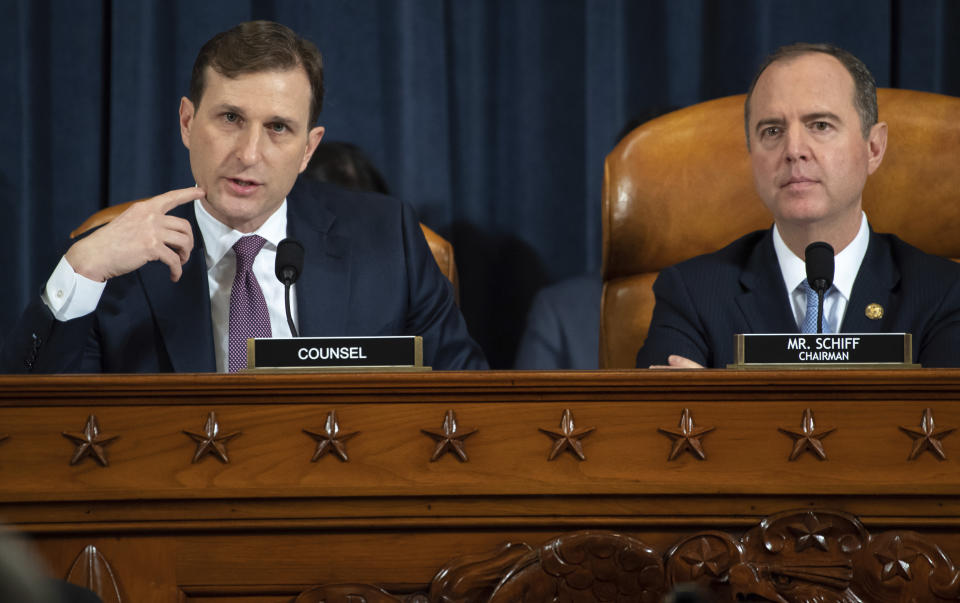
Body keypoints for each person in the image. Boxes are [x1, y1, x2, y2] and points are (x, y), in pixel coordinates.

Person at [1, 21, 486, 373]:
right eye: (230, 118)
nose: (249, 154)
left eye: (278, 128)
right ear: (188, 123)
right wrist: (81, 270)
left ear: (308, 148)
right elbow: (33, 424)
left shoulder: (388, 240)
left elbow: (468, 409)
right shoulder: (112, 262)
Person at [636, 43, 960, 369]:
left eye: (820, 125)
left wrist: (718, 410)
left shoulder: (944, 294)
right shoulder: (693, 295)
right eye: (772, 131)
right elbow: (660, 418)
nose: (794, 150)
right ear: (752, 155)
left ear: (873, 148)